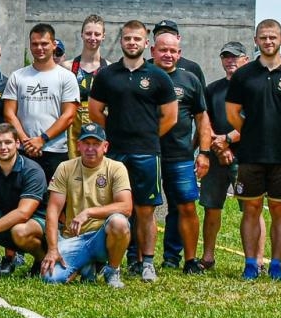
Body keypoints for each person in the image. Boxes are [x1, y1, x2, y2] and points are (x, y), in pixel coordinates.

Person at [87, 20, 177, 283]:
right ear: (121, 41)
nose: (132, 43)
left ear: (146, 43)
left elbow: (170, 117)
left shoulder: (158, 76)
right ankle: (108, 261)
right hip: (115, 153)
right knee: (112, 208)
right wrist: (112, 137)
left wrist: (147, 136)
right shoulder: (106, 75)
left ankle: (147, 262)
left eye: (137, 39)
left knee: (146, 209)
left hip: (147, 152)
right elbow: (95, 111)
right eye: (128, 39)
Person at [225, 22, 281, 281]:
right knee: (251, 210)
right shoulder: (244, 75)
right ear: (255, 40)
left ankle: (276, 265)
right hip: (250, 154)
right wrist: (251, 131)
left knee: (280, 211)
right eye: (263, 38)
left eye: (273, 37)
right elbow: (233, 113)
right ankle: (250, 264)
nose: (268, 41)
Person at [41, 124, 134, 287]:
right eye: (86, 143)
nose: (91, 148)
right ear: (78, 146)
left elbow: (126, 207)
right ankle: (86, 266)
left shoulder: (116, 168)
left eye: (96, 144)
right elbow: (53, 210)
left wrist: (89, 212)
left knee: (119, 222)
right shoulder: (65, 168)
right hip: (74, 238)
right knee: (51, 278)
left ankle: (112, 271)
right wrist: (53, 249)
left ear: (105, 147)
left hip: (102, 237)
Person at [152, 29, 211, 275]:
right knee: (141, 209)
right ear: (152, 51)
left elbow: (203, 119)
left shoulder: (190, 80)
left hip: (180, 156)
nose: (168, 55)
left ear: (180, 53)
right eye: (163, 50)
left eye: (172, 51)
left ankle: (186, 260)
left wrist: (204, 152)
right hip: (148, 154)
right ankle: (138, 259)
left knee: (186, 207)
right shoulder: (143, 76)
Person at [2, 24, 80, 182]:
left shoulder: (67, 77)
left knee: (54, 201)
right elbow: (9, 113)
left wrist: (42, 139)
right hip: (24, 151)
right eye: (34, 44)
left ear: (54, 44)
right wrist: (26, 141)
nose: (39, 48)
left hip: (55, 151)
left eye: (44, 43)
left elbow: (69, 115)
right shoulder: (18, 76)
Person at [0, 123, 49, 274]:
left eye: (8, 142)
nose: (3, 147)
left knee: (20, 231)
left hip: (35, 224)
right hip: (5, 223)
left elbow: (23, 213)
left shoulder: (32, 170)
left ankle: (41, 259)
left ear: (17, 144)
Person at [199, 41, 248, 271]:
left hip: (246, 156)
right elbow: (204, 121)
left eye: (235, 57)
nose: (230, 61)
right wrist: (217, 147)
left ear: (245, 60)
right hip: (215, 155)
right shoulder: (212, 89)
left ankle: (253, 260)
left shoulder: (252, 87)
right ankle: (207, 257)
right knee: (211, 207)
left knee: (250, 208)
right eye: (226, 57)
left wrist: (227, 140)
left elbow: (254, 121)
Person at [66, 14, 109, 153]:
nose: (92, 38)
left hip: (99, 124)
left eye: (97, 34)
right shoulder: (67, 67)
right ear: (82, 34)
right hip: (72, 127)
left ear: (103, 36)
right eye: (88, 33)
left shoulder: (109, 68)